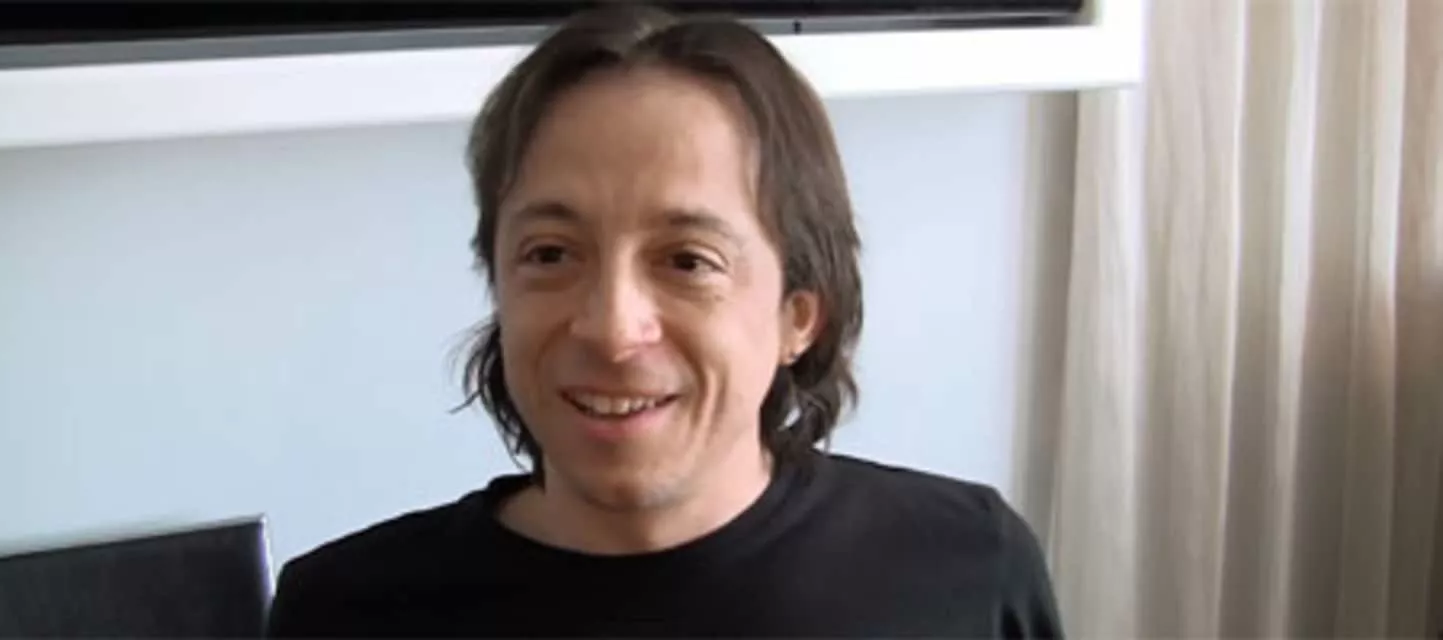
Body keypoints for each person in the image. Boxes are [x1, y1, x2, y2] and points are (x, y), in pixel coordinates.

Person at [265, 4, 1062, 637]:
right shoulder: (344, 611)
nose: (612, 329)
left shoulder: (965, 570)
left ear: (799, 314)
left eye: (687, 260)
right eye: (550, 253)